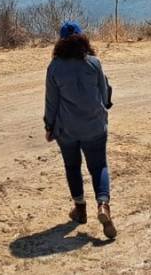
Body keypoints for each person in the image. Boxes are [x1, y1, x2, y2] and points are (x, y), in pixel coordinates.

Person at [44, 20, 117, 239]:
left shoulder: (54, 67)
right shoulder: (94, 63)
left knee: (72, 166)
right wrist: (105, 107)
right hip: (94, 126)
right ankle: (103, 205)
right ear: (82, 39)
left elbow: (51, 101)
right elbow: (104, 94)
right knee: (99, 166)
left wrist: (49, 126)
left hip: (67, 130)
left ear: (61, 43)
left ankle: (80, 208)